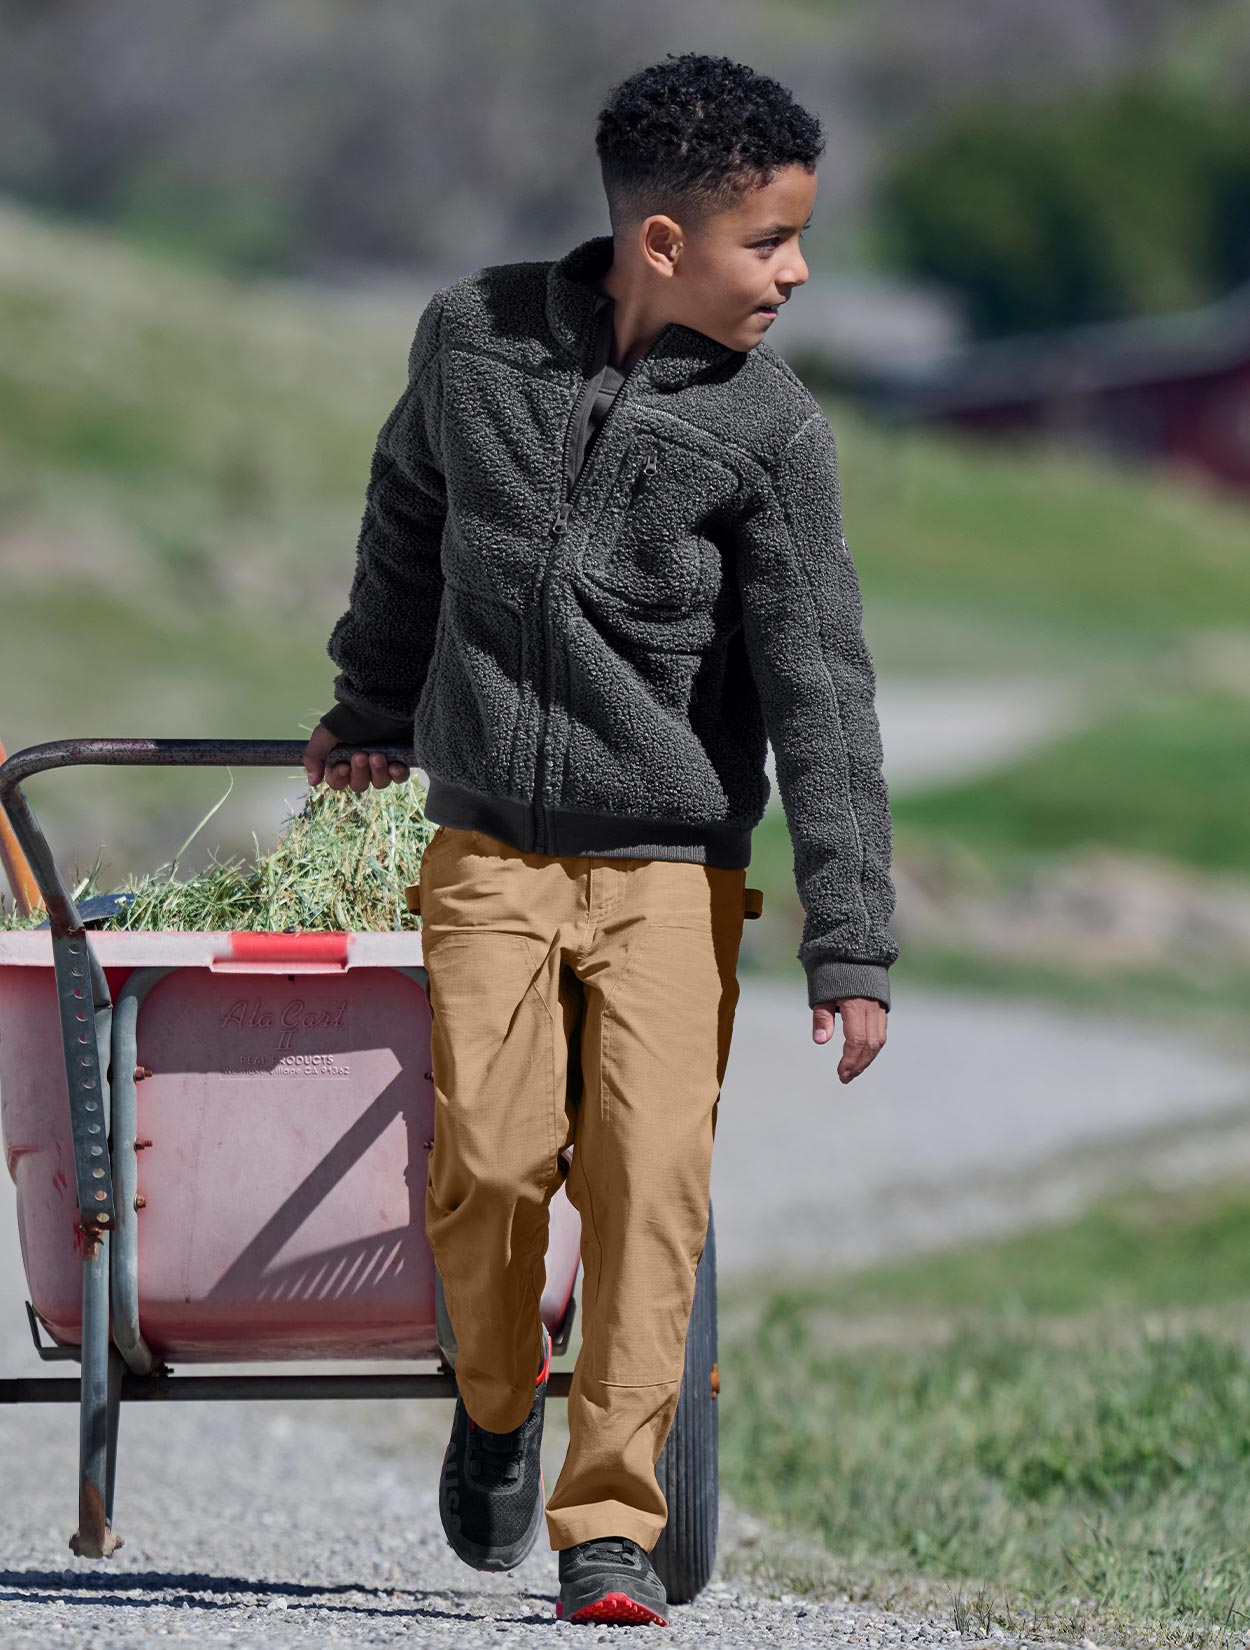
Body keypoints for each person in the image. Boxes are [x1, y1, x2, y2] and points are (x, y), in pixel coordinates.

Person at [303, 50, 899, 1628]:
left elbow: (821, 694)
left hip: (671, 867)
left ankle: (609, 1521)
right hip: (487, 841)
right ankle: (497, 1402)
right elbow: (403, 520)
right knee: (489, 1167)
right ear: (658, 244)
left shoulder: (774, 435)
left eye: (796, 239)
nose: (796, 270)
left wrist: (850, 942)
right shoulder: (471, 343)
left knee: (648, 1183)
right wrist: (369, 700)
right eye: (767, 242)